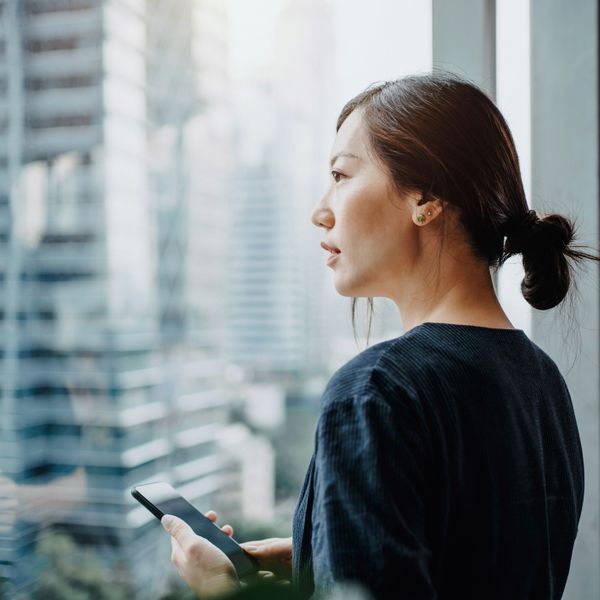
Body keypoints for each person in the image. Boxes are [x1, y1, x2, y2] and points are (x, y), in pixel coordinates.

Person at [162, 71, 599, 599]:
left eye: (342, 176)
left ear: (427, 196)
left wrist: (222, 592)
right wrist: (320, 554)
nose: (320, 211)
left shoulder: (377, 390)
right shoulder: (542, 380)